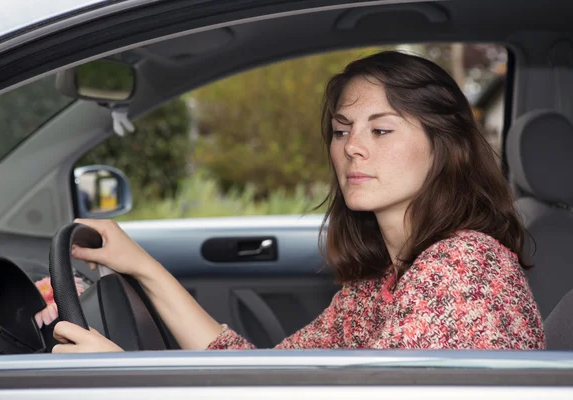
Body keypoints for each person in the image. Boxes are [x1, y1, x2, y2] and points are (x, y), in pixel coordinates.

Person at [51, 51, 545, 353]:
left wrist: (118, 380)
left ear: (445, 144)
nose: (352, 147)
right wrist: (141, 266)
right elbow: (258, 374)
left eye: (381, 129)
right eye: (340, 130)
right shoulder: (379, 285)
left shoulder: (464, 268)